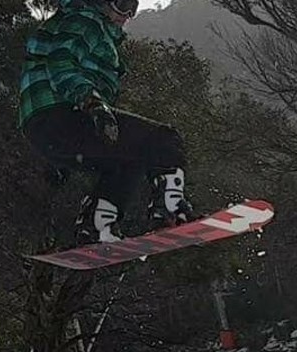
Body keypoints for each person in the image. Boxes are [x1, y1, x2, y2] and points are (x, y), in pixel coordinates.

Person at [19, 0, 195, 246]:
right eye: (122, 4)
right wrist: (92, 103)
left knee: (127, 160)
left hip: (44, 127)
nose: (127, 14)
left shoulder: (84, 26)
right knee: (163, 139)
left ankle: (98, 225)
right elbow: (60, 62)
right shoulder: (86, 21)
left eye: (133, 8)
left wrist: (58, 160)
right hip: (64, 112)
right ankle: (171, 209)